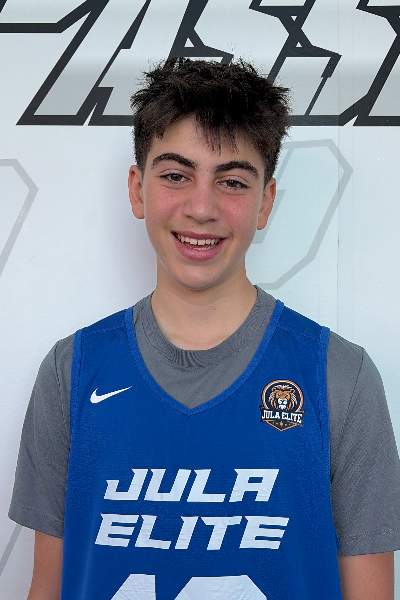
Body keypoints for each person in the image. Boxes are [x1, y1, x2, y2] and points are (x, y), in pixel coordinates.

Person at [9, 58, 400, 600]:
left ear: (265, 202)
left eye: (232, 181)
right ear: (138, 189)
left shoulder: (340, 376)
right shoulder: (71, 372)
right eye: (176, 175)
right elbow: (47, 588)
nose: (201, 208)